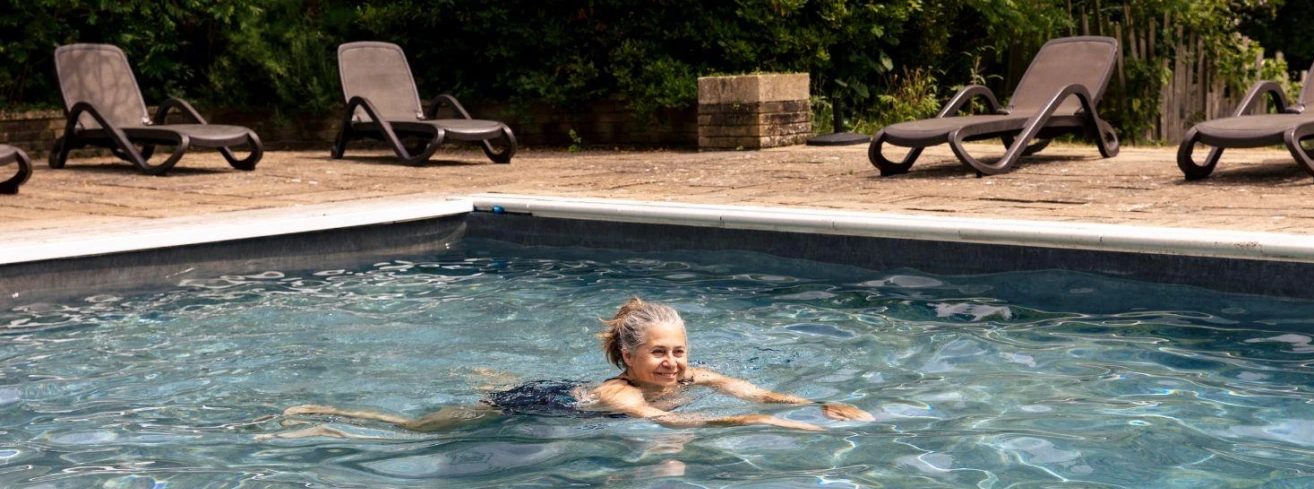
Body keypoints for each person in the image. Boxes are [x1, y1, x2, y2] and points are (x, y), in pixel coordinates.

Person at [266, 296, 872, 438]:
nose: (672, 363)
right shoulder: (621, 396)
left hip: (563, 391)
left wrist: (817, 405)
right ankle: (332, 417)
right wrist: (757, 428)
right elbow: (678, 428)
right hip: (543, 404)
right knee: (421, 428)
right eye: (658, 353)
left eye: (679, 351)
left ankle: (484, 377)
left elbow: (756, 392)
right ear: (629, 358)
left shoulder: (690, 375)